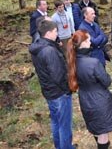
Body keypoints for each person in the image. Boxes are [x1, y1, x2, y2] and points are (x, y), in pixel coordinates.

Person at [67, 30, 112, 149]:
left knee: (96, 128)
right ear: (82, 44)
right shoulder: (93, 63)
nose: (90, 41)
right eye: (88, 39)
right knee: (103, 133)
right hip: (99, 100)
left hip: (85, 99)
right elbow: (106, 81)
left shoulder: (73, 61)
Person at [28, 20, 76, 149]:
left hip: (49, 92)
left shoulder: (38, 46)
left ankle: (60, 146)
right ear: (48, 33)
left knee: (56, 122)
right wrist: (68, 89)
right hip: (59, 93)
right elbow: (58, 76)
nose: (57, 33)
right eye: (55, 31)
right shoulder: (49, 51)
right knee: (64, 124)